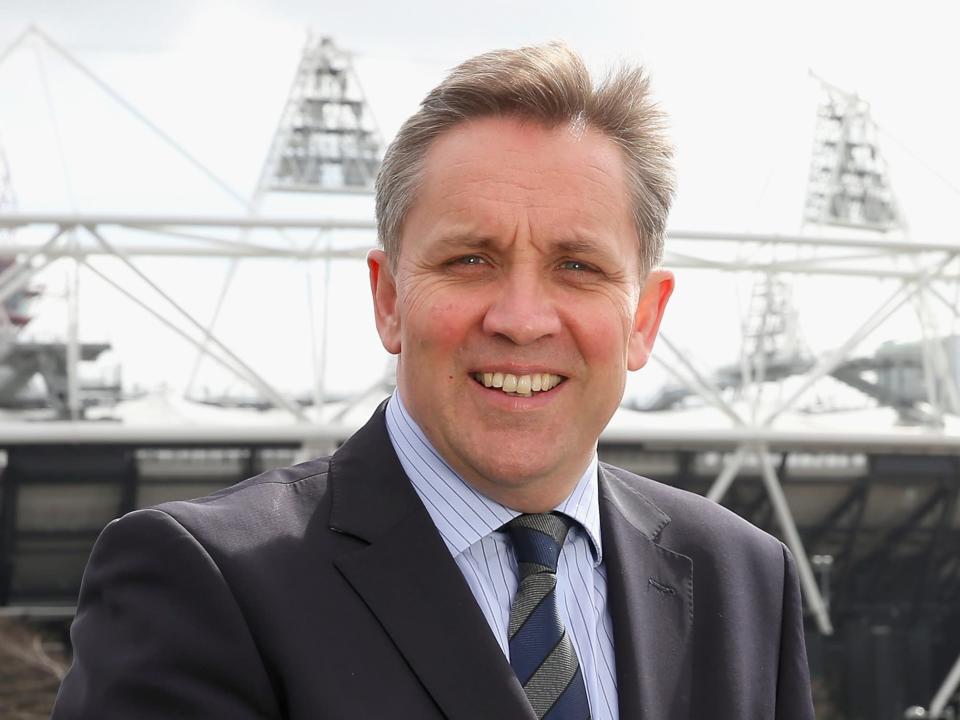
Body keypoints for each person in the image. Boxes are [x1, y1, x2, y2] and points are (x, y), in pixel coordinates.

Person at [53, 43, 814, 719]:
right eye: (469, 260)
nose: (521, 319)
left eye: (577, 266)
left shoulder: (741, 582)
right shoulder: (204, 580)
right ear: (388, 300)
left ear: (644, 319)